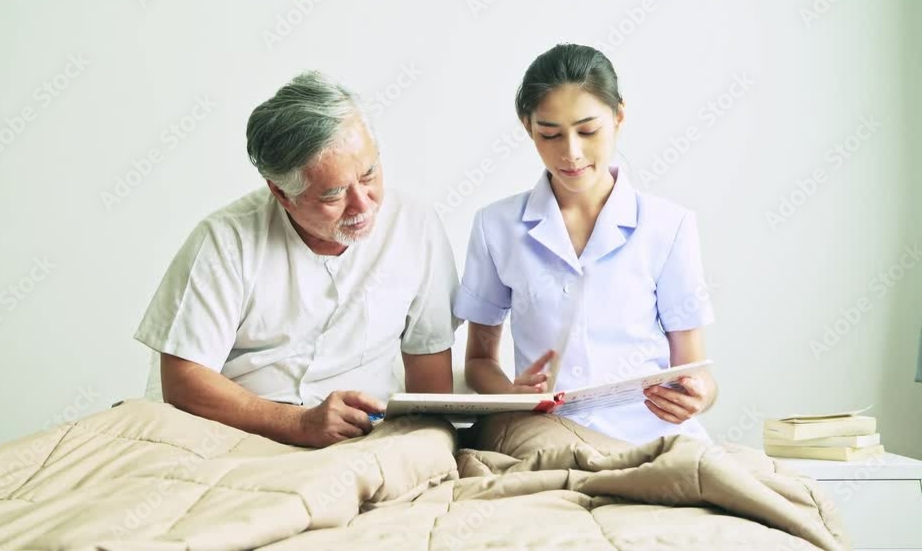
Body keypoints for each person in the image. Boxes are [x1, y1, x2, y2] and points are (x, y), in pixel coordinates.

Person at [134, 71, 460, 448]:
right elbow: (182, 381)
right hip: (234, 437)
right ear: (281, 193)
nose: (362, 204)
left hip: (365, 441)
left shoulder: (416, 226)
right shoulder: (225, 240)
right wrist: (299, 423)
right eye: (333, 195)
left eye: (369, 175)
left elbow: (430, 375)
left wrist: (425, 445)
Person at [454, 44, 718, 445]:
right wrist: (511, 395)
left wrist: (699, 396)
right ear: (528, 127)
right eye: (550, 134)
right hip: (548, 437)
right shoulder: (496, 226)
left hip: (650, 437)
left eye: (588, 131)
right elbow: (478, 361)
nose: (571, 153)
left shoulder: (669, 225)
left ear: (618, 116)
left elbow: (695, 371)